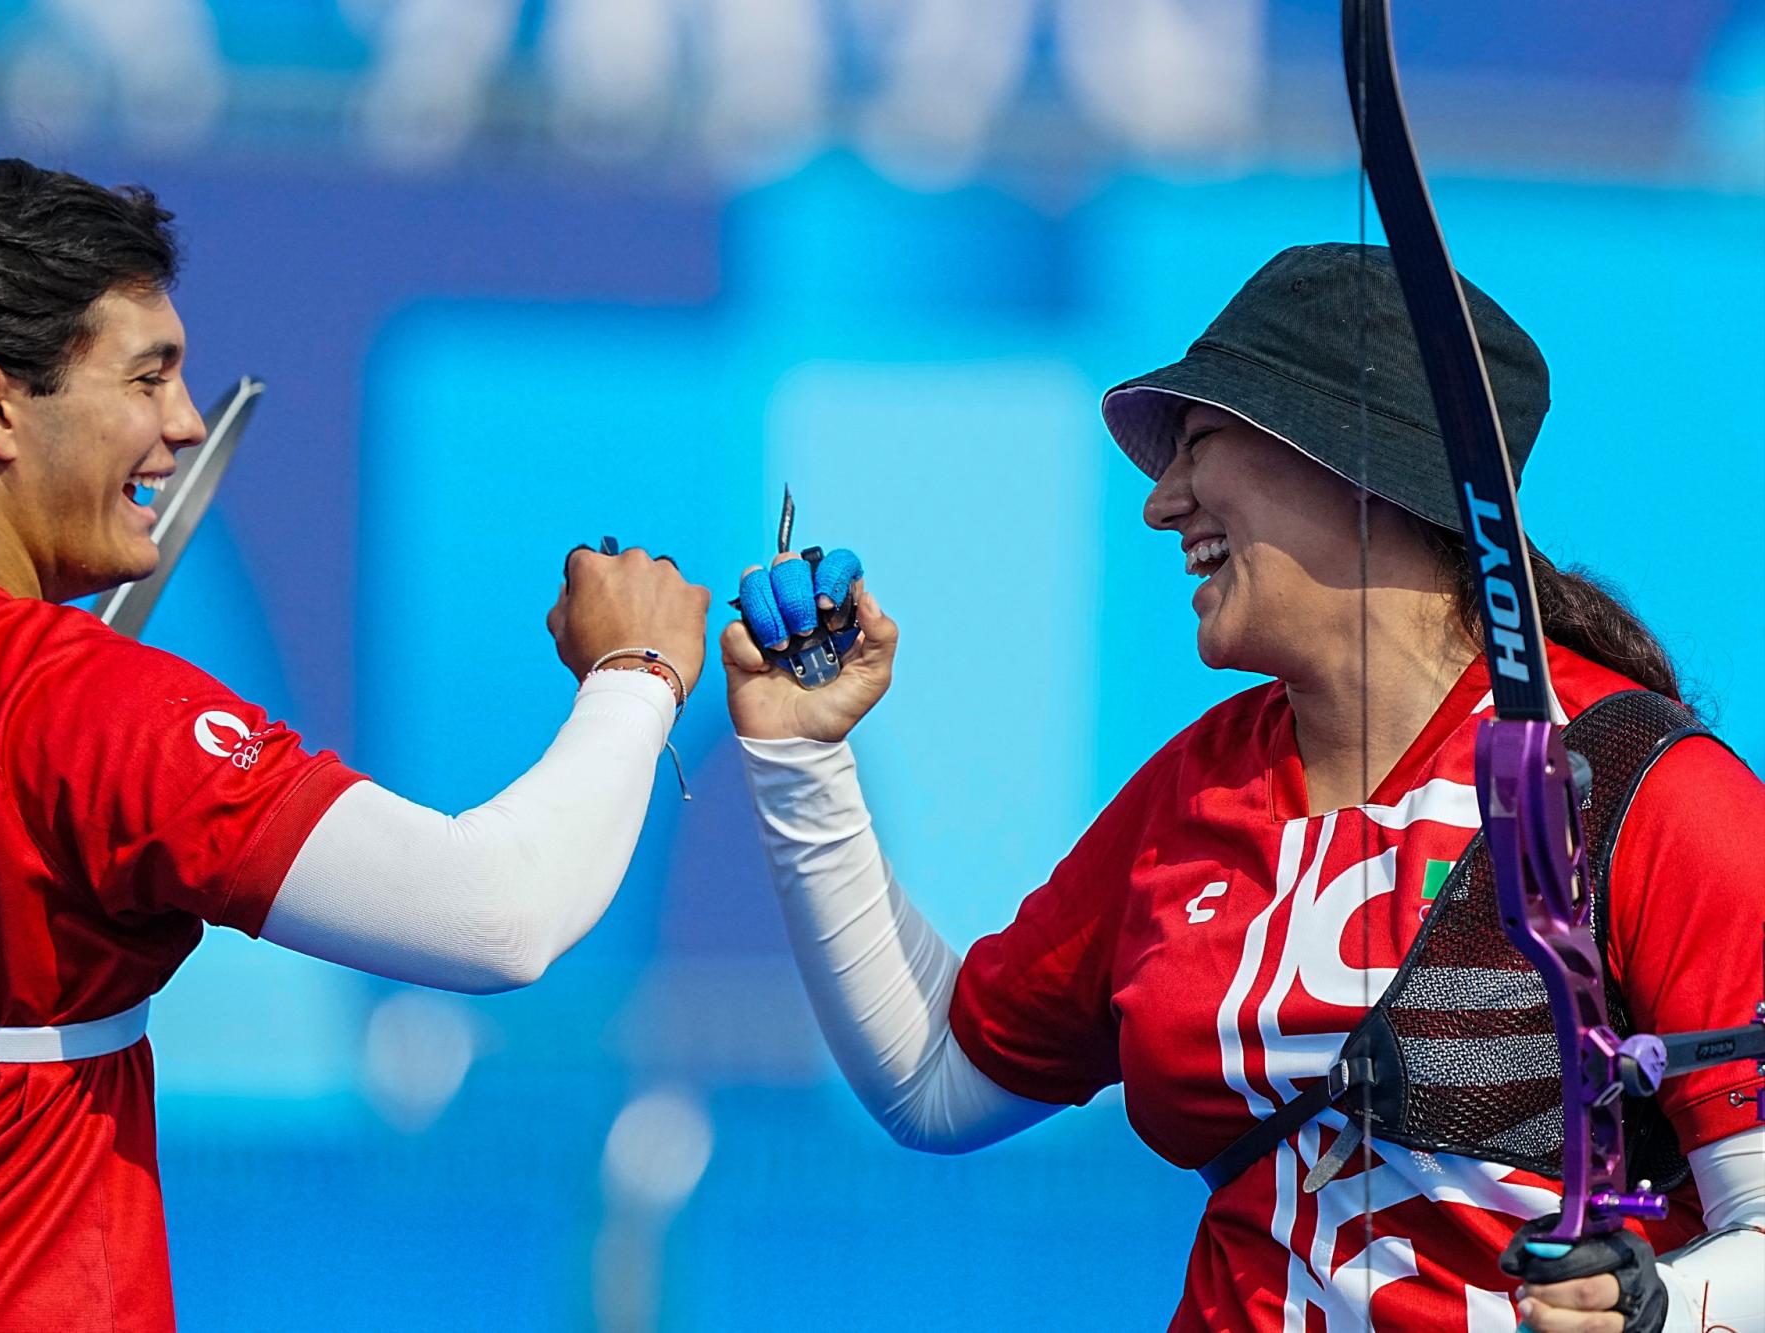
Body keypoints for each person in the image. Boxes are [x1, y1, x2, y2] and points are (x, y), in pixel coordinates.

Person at [725, 244, 1765, 1332]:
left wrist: (1647, 1305)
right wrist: (800, 757)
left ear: (1359, 460)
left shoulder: (1647, 795)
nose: (1159, 502)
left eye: (1201, 443)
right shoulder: (1198, 784)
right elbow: (938, 1072)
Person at [0, 158, 710, 1330]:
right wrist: (637, 673)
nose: (185, 423)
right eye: (147, 376)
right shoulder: (84, 710)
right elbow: (497, 914)